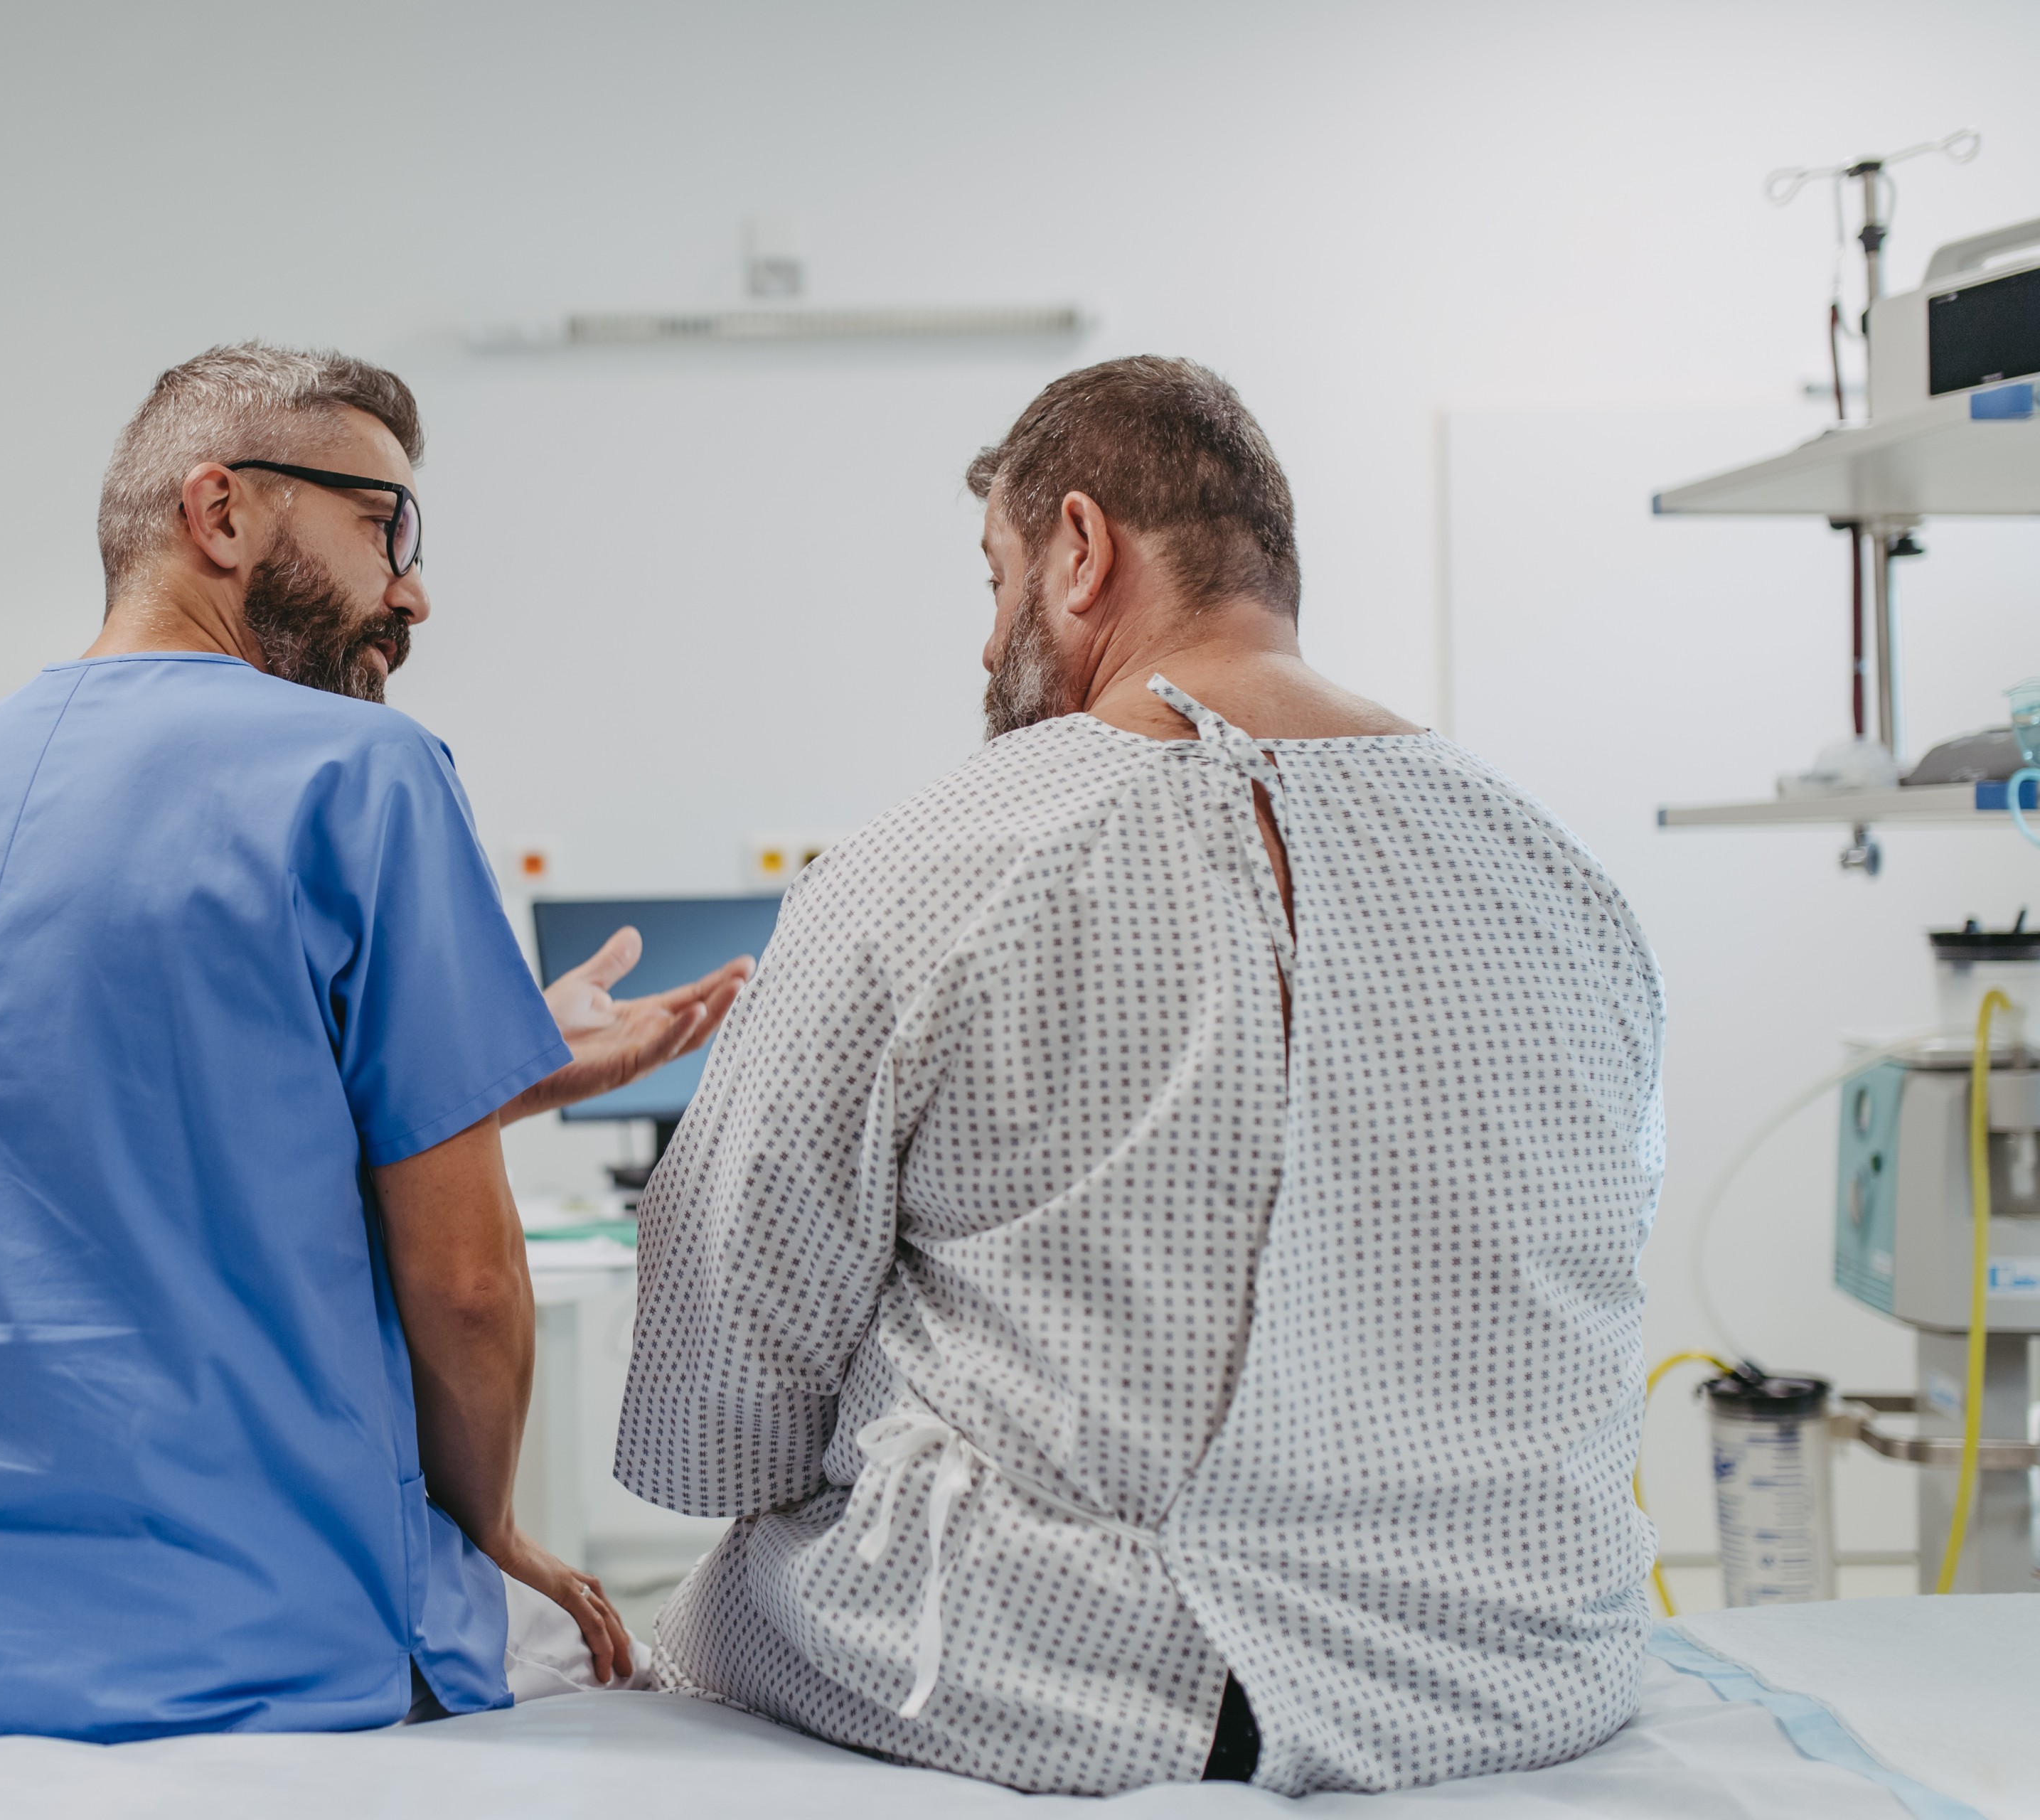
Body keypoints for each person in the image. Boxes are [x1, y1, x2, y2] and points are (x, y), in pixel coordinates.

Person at [616, 357, 1665, 1797]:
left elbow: (721, 1390)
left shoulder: (929, 864)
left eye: (998, 575)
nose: (989, 641)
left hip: (1100, 1685)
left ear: (1081, 549)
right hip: (1529, 1665)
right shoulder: (1556, 871)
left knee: (712, 1596)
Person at [0, 343, 748, 1740]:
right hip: (230, 1641)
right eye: (382, 526)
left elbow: (141, 1144)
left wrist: (491, 1079)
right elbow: (467, 1284)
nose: (412, 588)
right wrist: (486, 1531)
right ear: (221, 511)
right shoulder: (365, 771)